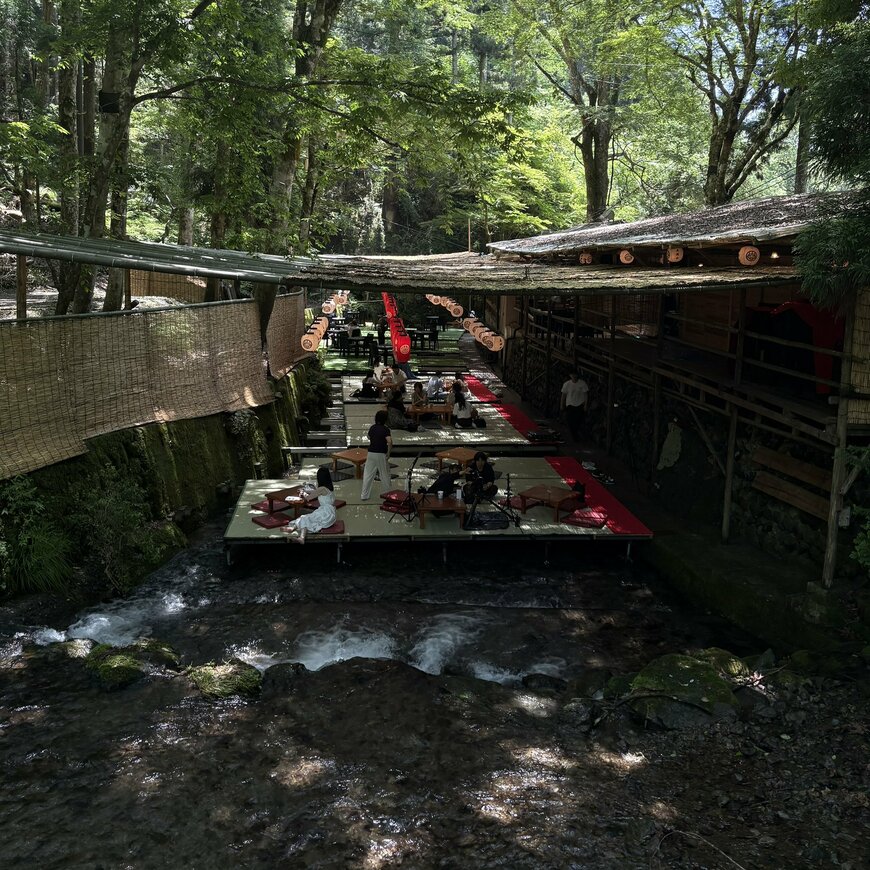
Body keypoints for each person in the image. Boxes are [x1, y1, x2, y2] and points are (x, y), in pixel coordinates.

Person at [282, 467, 336, 545]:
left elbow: (308, 498)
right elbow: (316, 491)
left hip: (325, 513)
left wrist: (303, 493)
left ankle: (300, 536)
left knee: (306, 518)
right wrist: (306, 490)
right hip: (330, 513)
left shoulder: (321, 489)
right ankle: (295, 530)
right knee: (307, 518)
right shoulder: (329, 487)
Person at [360, 410, 392, 500]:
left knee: (368, 475)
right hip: (381, 454)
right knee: (384, 474)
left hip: (371, 453)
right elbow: (389, 442)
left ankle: (364, 495)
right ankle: (388, 495)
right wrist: (388, 453)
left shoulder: (373, 427)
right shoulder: (385, 429)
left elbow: (368, 437)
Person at [560, 370, 589, 440]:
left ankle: (576, 435)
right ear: (570, 375)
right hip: (570, 405)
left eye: (575, 375)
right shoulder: (567, 384)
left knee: (578, 421)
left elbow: (586, 395)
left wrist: (585, 405)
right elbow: (563, 395)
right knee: (570, 421)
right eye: (572, 375)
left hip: (579, 405)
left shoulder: (582, 383)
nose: (574, 376)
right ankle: (574, 435)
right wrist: (561, 404)